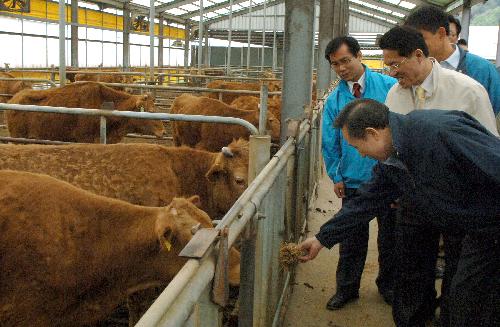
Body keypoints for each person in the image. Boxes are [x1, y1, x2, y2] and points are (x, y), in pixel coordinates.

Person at [299, 99, 500, 327]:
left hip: (491, 226)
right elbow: (365, 201)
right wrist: (322, 238)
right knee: (464, 299)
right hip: (468, 228)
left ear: (373, 133)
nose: (362, 155)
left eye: (357, 147)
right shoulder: (393, 160)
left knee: (474, 301)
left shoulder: (440, 131)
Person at [321, 36, 397, 310]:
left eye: (345, 61)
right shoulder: (335, 100)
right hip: (353, 177)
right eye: (335, 65)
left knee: (391, 236)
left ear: (359, 56)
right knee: (352, 236)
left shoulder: (389, 87)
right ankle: (347, 288)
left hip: (389, 177)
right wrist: (336, 174)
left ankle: (388, 284)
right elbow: (329, 142)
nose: (341, 68)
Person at [379, 25, 498, 135]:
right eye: (388, 67)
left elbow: (488, 147)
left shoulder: (468, 91)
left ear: (418, 56)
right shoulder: (394, 94)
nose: (392, 73)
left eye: (395, 65)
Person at [405, 5, 500, 115]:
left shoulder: (482, 70)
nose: (415, 46)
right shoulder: (415, 68)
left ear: (441, 33)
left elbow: (492, 113)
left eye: (420, 39)